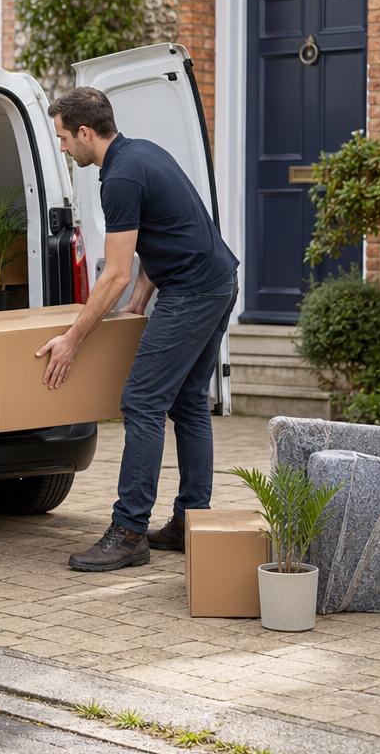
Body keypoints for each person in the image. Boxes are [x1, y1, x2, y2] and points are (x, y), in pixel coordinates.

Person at [36, 86, 238, 572]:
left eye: (63, 138)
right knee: (188, 402)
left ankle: (128, 532)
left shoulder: (120, 178)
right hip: (218, 281)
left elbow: (115, 274)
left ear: (86, 133)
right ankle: (191, 522)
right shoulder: (142, 153)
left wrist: (71, 339)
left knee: (143, 402)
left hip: (193, 292)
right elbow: (163, 233)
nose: (62, 148)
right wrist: (142, 300)